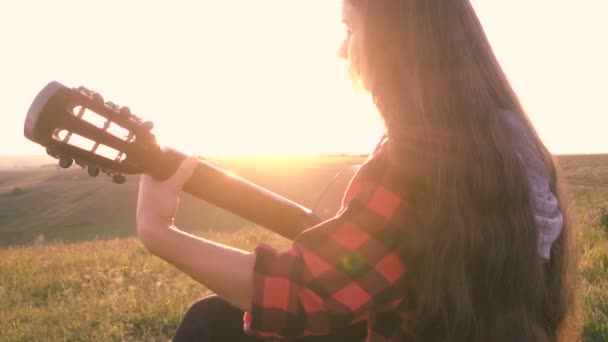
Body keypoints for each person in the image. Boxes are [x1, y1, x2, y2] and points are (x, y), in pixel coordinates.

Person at [136, 0, 577, 341]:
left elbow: (302, 293)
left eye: (350, 27)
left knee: (211, 323)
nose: (341, 48)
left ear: (396, 36)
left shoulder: (413, 165)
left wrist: (160, 232)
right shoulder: (513, 144)